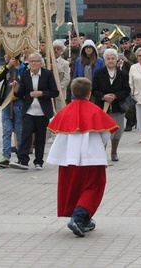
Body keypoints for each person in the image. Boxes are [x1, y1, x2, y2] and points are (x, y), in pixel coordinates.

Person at [46, 78, 118, 237]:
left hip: (68, 159)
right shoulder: (95, 110)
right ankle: (78, 217)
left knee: (74, 187)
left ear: (72, 93)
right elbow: (106, 134)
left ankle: (84, 219)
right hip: (92, 157)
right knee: (94, 186)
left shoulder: (64, 111)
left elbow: (54, 130)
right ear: (89, 94)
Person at [10, 53, 60, 171]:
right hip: (29, 110)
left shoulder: (47, 74)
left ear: (41, 63)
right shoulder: (25, 74)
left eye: (36, 61)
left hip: (43, 111)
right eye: (31, 61)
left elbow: (54, 92)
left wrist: (41, 93)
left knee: (40, 137)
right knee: (25, 135)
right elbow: (21, 94)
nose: (33, 63)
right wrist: (16, 88)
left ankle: (39, 162)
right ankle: (22, 160)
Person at [90, 48, 130, 162]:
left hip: (118, 106)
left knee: (117, 131)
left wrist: (115, 96)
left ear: (117, 60)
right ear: (105, 60)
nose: (111, 60)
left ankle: (114, 152)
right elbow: (94, 89)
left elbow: (127, 90)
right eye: (108, 58)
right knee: (103, 131)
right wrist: (103, 96)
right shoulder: (99, 73)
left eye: (113, 58)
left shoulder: (123, 74)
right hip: (102, 107)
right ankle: (102, 153)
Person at [0, 53, 25, 168]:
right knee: (6, 131)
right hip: (6, 103)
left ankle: (21, 156)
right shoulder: (6, 68)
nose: (5, 56)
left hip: (19, 103)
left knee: (19, 130)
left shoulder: (24, 68)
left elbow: (26, 85)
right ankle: (5, 156)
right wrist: (8, 66)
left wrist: (18, 95)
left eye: (7, 54)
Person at [53, 40, 71, 111]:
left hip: (60, 93)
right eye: (54, 48)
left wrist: (58, 88)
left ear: (61, 51)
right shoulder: (47, 61)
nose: (56, 50)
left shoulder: (65, 63)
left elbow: (67, 79)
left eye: (58, 49)